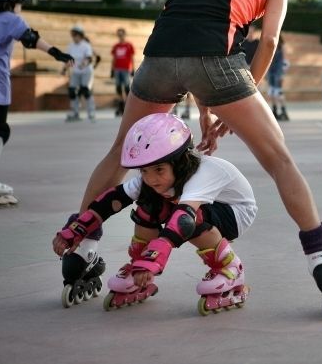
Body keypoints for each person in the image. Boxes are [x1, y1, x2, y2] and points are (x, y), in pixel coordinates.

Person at [54, 0, 322, 319]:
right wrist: (242, 91)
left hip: (157, 59)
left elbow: (188, 31)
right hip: (218, 64)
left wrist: (208, 111)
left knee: (121, 151)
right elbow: (266, 42)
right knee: (279, 161)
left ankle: (83, 249)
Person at [53, 113, 256, 314]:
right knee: (148, 204)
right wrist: (77, 229)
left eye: (159, 169)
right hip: (199, 209)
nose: (151, 178)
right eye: (144, 171)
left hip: (236, 212)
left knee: (189, 218)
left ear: (181, 161)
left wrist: (154, 260)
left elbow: (184, 219)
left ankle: (230, 269)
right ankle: (138, 268)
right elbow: (110, 202)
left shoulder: (202, 173)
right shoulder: (153, 180)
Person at [0, 0, 74, 206]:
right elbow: (31, 39)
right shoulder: (10, 19)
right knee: (0, 130)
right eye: (19, 1)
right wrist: (57, 53)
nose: (20, 7)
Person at [64, 25, 97, 122]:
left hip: (86, 71)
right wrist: (64, 69)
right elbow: (68, 60)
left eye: (76, 35)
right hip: (76, 72)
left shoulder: (86, 45)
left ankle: (91, 112)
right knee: (72, 91)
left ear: (80, 35)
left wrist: (84, 64)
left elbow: (89, 58)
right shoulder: (71, 46)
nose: (74, 37)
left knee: (85, 91)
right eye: (73, 35)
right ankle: (75, 113)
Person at [110, 27, 135, 116]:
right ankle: (121, 106)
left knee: (127, 88)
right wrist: (112, 70)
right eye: (118, 35)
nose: (120, 36)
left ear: (124, 35)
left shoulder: (129, 45)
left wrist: (133, 69)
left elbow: (132, 58)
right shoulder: (116, 46)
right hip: (117, 69)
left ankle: (128, 107)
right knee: (118, 88)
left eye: (121, 34)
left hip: (126, 69)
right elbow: (114, 58)